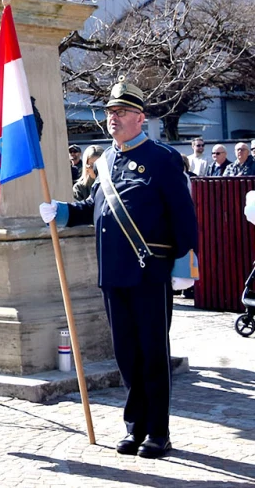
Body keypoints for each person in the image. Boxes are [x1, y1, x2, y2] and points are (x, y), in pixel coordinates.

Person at [39, 81, 197, 459]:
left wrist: (182, 267)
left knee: (152, 354)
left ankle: (158, 432)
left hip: (149, 272)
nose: (114, 117)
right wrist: (62, 211)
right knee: (126, 354)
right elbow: (94, 209)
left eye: (122, 111)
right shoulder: (106, 162)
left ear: (140, 118)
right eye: (111, 112)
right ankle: (134, 427)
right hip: (113, 274)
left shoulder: (162, 159)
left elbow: (184, 218)